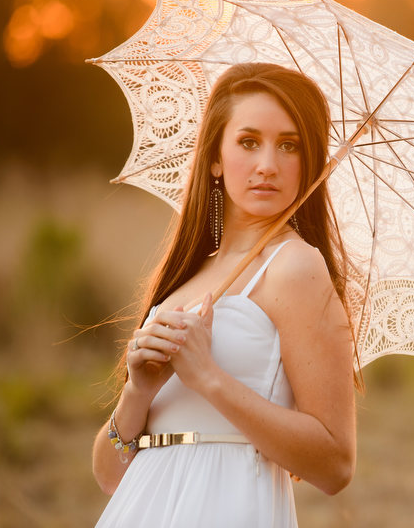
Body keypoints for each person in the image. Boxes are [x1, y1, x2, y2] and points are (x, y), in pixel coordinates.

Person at [92, 63, 356, 527]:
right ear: (215, 156)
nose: (267, 165)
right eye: (248, 141)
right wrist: (137, 390)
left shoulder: (294, 267)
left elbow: (336, 464)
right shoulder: (187, 277)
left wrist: (208, 378)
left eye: (289, 145)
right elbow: (110, 476)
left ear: (308, 162)